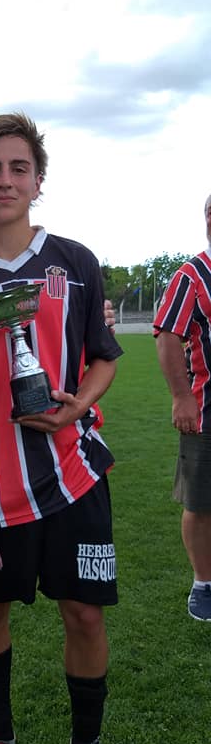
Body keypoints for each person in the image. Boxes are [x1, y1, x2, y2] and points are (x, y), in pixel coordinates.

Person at [0, 112, 132, 744]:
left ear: (38, 181)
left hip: (73, 470)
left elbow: (104, 358)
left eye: (18, 167)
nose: (4, 180)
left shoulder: (75, 263)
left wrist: (76, 403)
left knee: (84, 614)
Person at [153, 194, 211, 621]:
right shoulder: (192, 275)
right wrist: (181, 396)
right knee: (201, 501)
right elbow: (168, 335)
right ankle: (203, 583)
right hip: (208, 408)